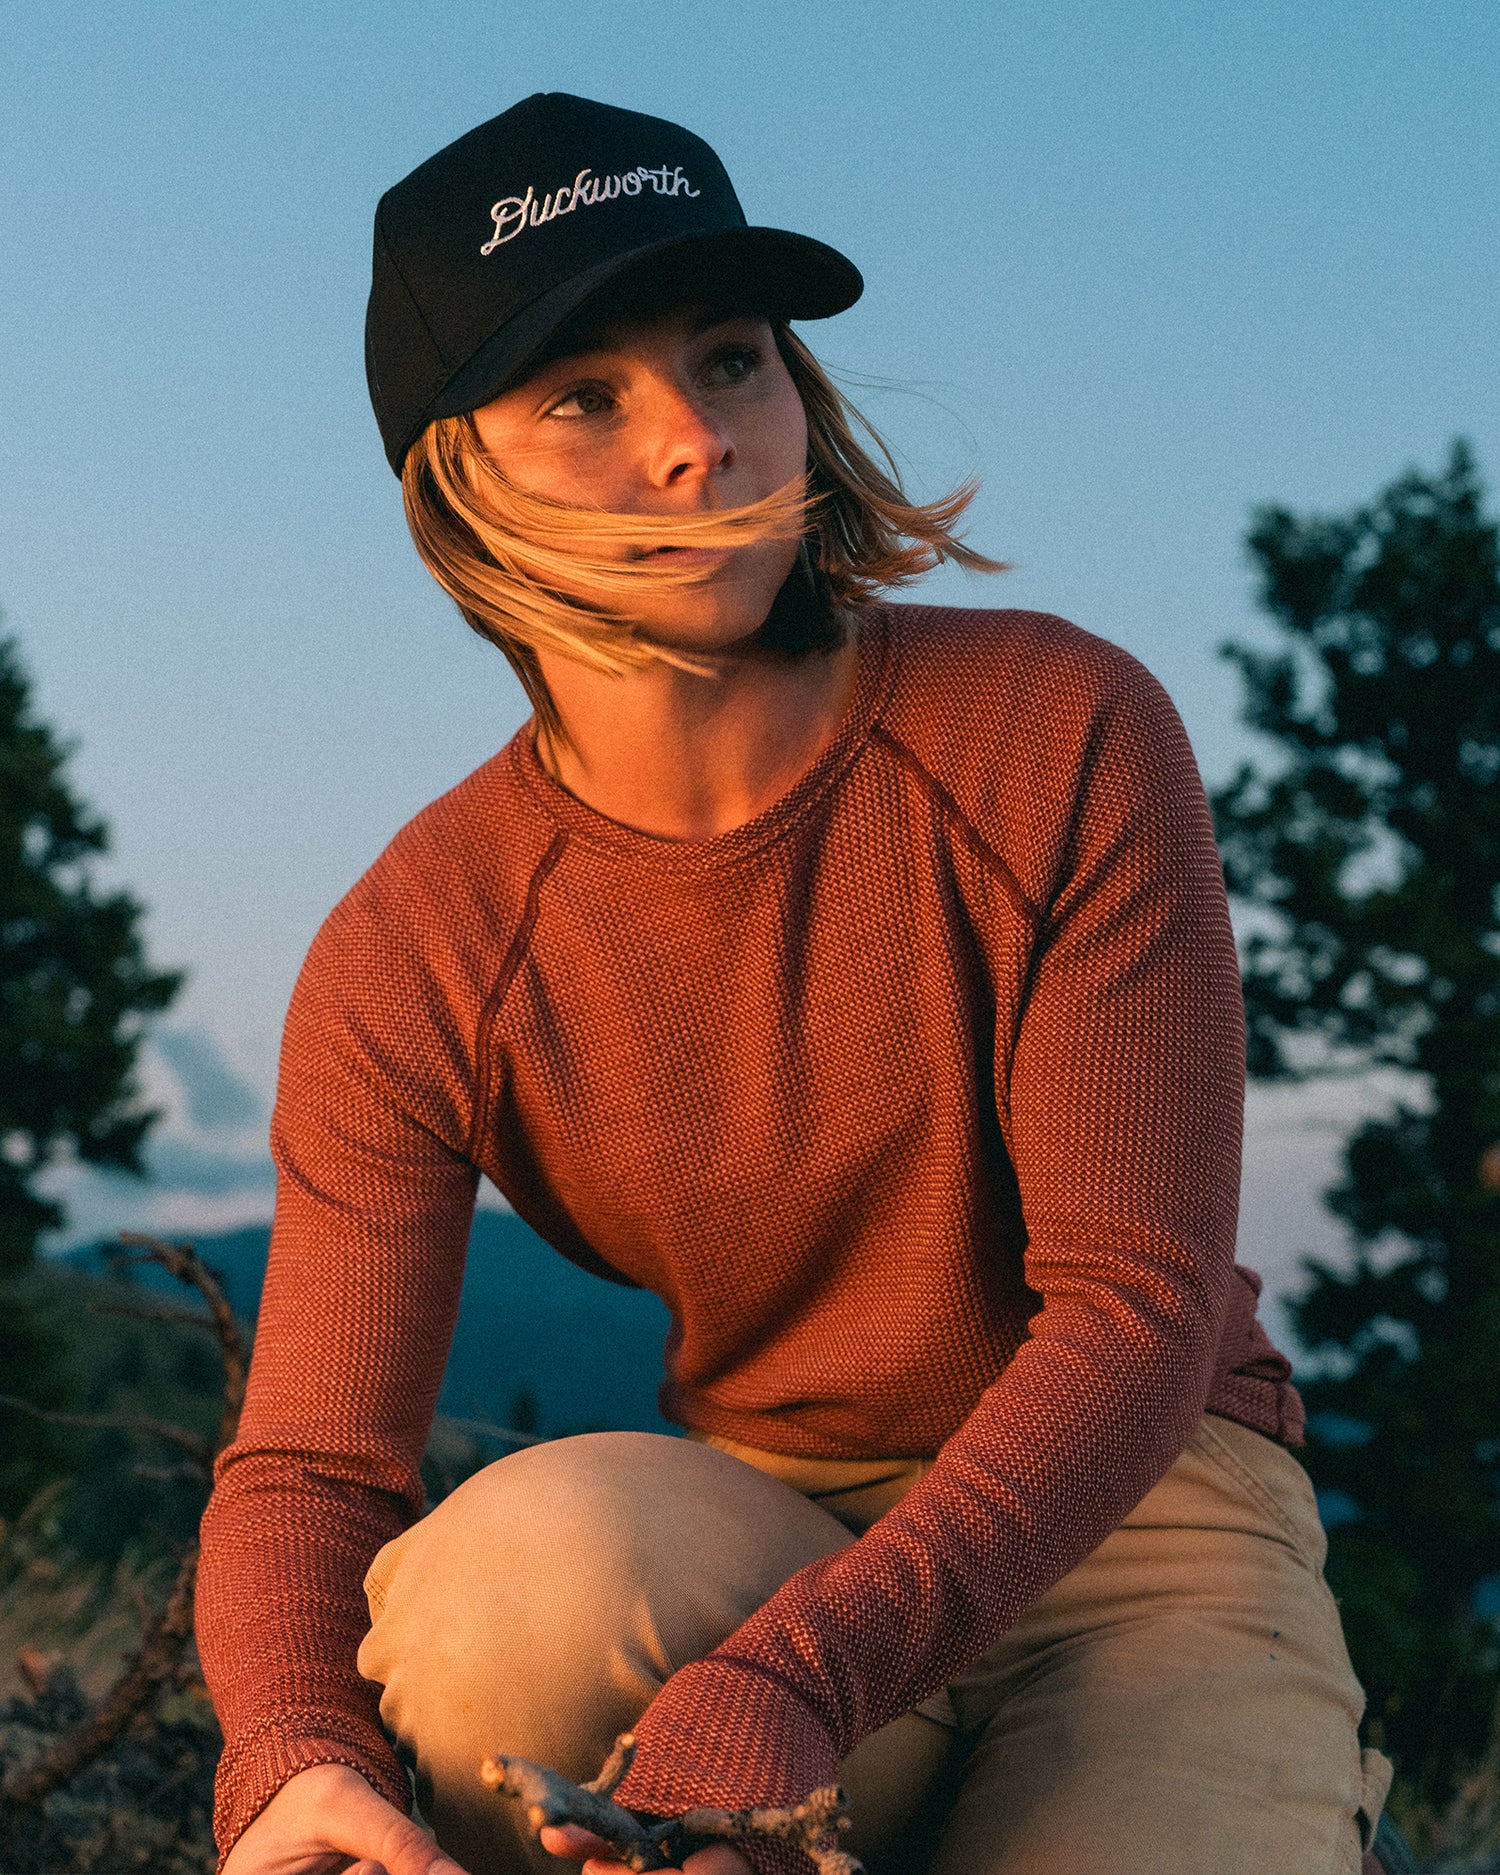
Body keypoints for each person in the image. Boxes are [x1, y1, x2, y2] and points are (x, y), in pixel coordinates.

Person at [197, 93, 1392, 1875]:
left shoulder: (1056, 731)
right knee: (502, 1592)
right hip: (767, 1518)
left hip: (1150, 1518)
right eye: (584, 397)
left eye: (732, 359)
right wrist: (290, 1754)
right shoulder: (419, 951)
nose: (696, 442)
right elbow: (309, 1467)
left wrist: (799, 1682)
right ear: (460, 481)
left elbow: (1136, 1310)